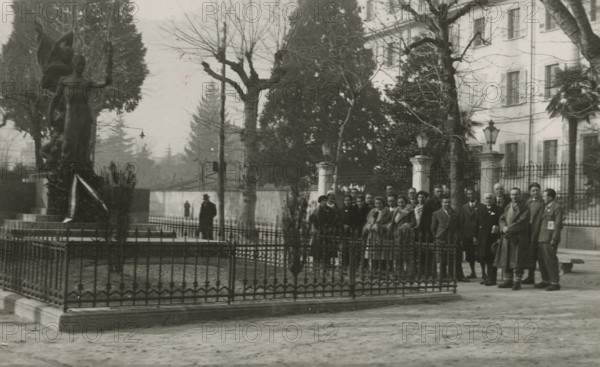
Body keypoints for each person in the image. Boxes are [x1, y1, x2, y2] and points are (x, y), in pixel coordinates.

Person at [495, 188, 530, 290]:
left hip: (518, 237)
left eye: (516, 195)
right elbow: (501, 218)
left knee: (517, 259)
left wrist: (509, 228)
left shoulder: (524, 208)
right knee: (507, 257)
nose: (514, 197)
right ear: (510, 196)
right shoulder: (507, 207)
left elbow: (522, 222)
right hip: (506, 237)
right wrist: (503, 228)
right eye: (512, 195)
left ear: (520, 195)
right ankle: (508, 280)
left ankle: (517, 282)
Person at [535, 189, 564, 291]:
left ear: (550, 197)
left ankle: (555, 283)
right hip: (542, 238)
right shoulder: (545, 207)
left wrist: (554, 239)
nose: (543, 198)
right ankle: (546, 280)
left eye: (544, 196)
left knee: (550, 261)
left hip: (549, 239)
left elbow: (558, 224)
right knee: (542, 261)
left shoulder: (557, 208)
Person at [475, 193, 502, 286]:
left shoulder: (498, 210)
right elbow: (476, 223)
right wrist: (475, 236)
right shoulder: (479, 209)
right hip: (482, 237)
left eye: (490, 198)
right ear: (483, 199)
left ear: (494, 199)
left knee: (491, 258)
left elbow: (501, 223)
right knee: (483, 256)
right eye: (486, 198)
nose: (488, 200)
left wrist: (498, 234)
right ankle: (486, 277)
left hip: (492, 237)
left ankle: (492, 279)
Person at [458, 188, 484, 280]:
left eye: (472, 194)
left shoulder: (481, 206)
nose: (471, 196)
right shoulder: (464, 207)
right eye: (469, 194)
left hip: (479, 234)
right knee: (470, 255)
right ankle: (473, 272)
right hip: (467, 234)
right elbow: (461, 222)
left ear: (476, 194)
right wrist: (462, 236)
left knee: (481, 254)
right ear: (466, 195)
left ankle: (484, 273)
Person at [431, 195, 459, 281]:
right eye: (445, 202)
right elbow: (433, 227)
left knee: (450, 258)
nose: (447, 204)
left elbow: (457, 227)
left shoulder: (454, 213)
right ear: (441, 203)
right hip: (441, 238)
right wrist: (437, 236)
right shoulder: (436, 213)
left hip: (450, 238)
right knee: (441, 258)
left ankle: (451, 276)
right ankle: (441, 276)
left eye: (448, 202)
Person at [364, 197, 393, 273]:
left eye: (380, 203)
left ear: (383, 203)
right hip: (372, 234)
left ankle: (381, 268)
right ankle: (373, 267)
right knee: (372, 251)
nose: (378, 205)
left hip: (381, 234)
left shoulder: (387, 212)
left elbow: (389, 223)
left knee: (381, 251)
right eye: (376, 203)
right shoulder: (373, 211)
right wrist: (369, 225)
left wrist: (381, 227)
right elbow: (368, 221)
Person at [310, 195, 338, 273]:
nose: (324, 202)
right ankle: (316, 263)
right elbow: (312, 218)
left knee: (327, 248)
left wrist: (329, 226)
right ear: (320, 202)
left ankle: (326, 263)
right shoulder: (316, 210)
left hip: (327, 232)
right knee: (317, 248)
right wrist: (317, 227)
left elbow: (334, 218)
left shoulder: (330, 210)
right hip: (319, 231)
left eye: (325, 201)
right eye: (322, 201)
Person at [524, 183, 544, 285]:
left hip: (539, 231)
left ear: (540, 191)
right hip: (528, 231)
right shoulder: (528, 203)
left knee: (539, 255)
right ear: (530, 192)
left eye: (537, 190)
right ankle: (530, 276)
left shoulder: (543, 203)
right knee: (530, 254)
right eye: (533, 190)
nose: (535, 192)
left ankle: (545, 279)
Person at [393, 196, 417, 279]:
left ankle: (409, 274)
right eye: (399, 202)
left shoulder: (409, 211)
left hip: (406, 235)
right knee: (397, 255)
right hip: (397, 235)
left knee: (407, 255)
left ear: (406, 203)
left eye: (402, 202)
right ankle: (398, 273)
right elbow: (393, 223)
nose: (400, 204)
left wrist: (407, 225)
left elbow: (414, 222)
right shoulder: (396, 211)